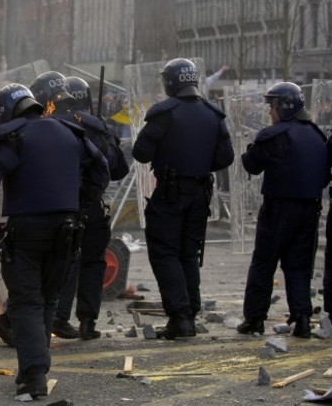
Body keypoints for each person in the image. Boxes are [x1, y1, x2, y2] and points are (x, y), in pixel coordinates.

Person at [0, 83, 109, 398]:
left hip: (28, 230)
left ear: (6, 112)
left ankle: (34, 375)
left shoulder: (14, 138)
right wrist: (80, 200)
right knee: (47, 299)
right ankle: (35, 368)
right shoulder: (69, 132)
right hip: (68, 228)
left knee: (27, 302)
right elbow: (102, 167)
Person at [132, 58, 234, 339]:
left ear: (170, 83)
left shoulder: (164, 113)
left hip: (170, 192)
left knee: (165, 252)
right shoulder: (213, 113)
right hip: (200, 193)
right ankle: (189, 311)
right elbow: (225, 157)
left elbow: (141, 153)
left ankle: (179, 316)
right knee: (189, 253)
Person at [28, 72, 129, 340]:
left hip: (59, 206)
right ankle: (88, 322)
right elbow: (118, 168)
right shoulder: (96, 125)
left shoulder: (44, 124)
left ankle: (58, 318)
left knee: (64, 262)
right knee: (93, 263)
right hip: (92, 206)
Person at [237, 82, 329, 338]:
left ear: (284, 107)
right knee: (299, 266)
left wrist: (250, 147)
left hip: (279, 208)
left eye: (272, 106)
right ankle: (301, 318)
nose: (270, 112)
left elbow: (251, 165)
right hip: (310, 209)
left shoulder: (275, 134)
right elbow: (322, 178)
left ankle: (254, 319)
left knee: (264, 263)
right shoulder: (317, 135)